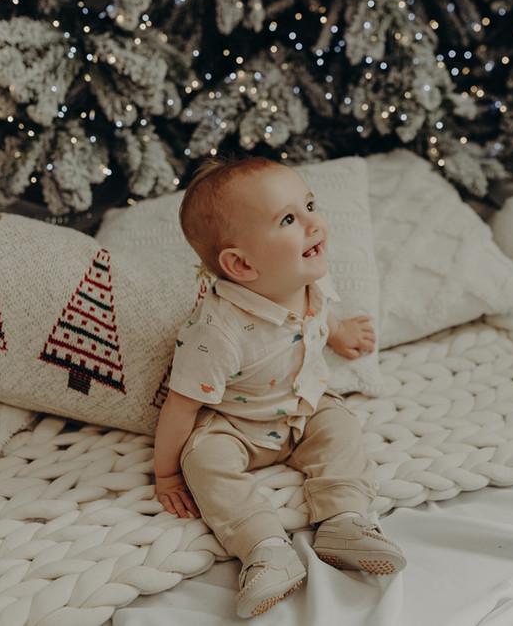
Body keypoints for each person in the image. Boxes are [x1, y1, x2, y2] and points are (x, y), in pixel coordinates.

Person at [153, 155, 406, 618]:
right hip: (238, 424)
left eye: (310, 205)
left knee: (342, 427)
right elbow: (181, 405)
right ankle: (265, 550)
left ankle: (342, 520)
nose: (314, 224)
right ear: (241, 264)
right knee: (204, 460)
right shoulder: (217, 330)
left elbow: (319, 312)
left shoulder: (311, 275)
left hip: (302, 408)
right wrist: (168, 473)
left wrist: (343, 332)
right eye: (289, 219)